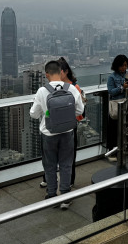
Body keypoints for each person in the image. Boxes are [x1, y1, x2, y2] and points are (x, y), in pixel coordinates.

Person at [30, 60, 84, 209]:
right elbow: (80, 111)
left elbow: (34, 114)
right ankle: (65, 197)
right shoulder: (71, 89)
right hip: (67, 132)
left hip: (48, 133)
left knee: (50, 165)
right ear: (61, 72)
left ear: (47, 74)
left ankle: (52, 196)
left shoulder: (42, 91)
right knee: (66, 164)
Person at [59, 57, 87, 188]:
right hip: (57, 125)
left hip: (70, 125)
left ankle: (70, 180)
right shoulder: (55, 86)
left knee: (70, 154)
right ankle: (49, 178)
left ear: (65, 72)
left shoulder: (74, 87)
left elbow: (80, 111)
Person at [106, 54, 128, 160]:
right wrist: (122, 88)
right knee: (114, 128)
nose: (124, 67)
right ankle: (112, 151)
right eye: (122, 65)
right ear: (117, 66)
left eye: (125, 65)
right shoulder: (112, 77)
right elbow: (111, 91)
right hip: (116, 104)